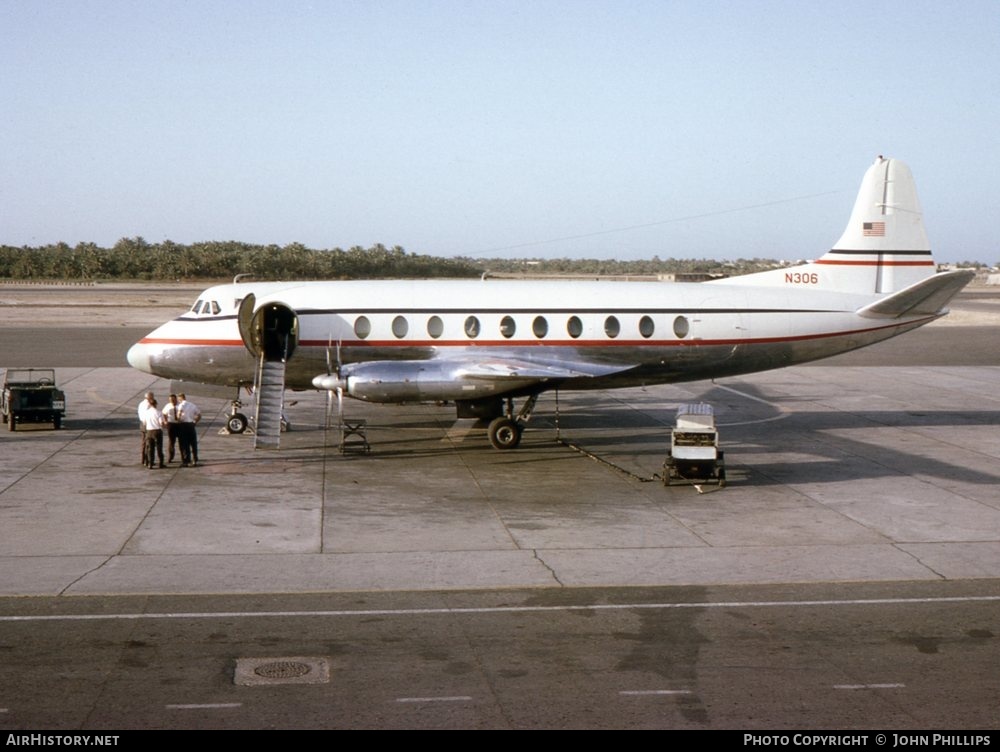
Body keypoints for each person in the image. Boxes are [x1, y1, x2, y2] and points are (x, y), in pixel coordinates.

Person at [177, 393, 201, 466]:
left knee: (185, 443)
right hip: (191, 425)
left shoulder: (181, 405)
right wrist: (195, 422)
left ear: (180, 398)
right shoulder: (192, 405)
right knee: (193, 443)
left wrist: (178, 420)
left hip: (184, 425)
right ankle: (195, 459)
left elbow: (178, 415)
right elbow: (199, 415)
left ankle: (187, 460)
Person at [142, 398, 165, 469]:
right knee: (159, 448)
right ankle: (161, 463)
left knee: (150, 448)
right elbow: (161, 423)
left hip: (149, 431)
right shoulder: (158, 412)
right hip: (157, 431)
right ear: (155, 404)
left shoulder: (146, 413)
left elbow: (144, 423)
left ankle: (150, 463)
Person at [162, 394, 180, 463]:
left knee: (182, 441)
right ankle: (170, 456)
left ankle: (184, 457)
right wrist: (165, 421)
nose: (172, 401)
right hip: (171, 424)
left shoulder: (180, 405)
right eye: (170, 400)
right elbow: (163, 413)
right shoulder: (168, 406)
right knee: (171, 441)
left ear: (176, 399)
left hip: (179, 424)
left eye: (173, 400)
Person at [137, 391, 153, 467]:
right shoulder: (148, 405)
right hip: (147, 424)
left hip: (142, 424)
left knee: (143, 442)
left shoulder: (141, 404)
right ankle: (148, 460)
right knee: (149, 443)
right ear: (149, 397)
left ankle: (143, 459)